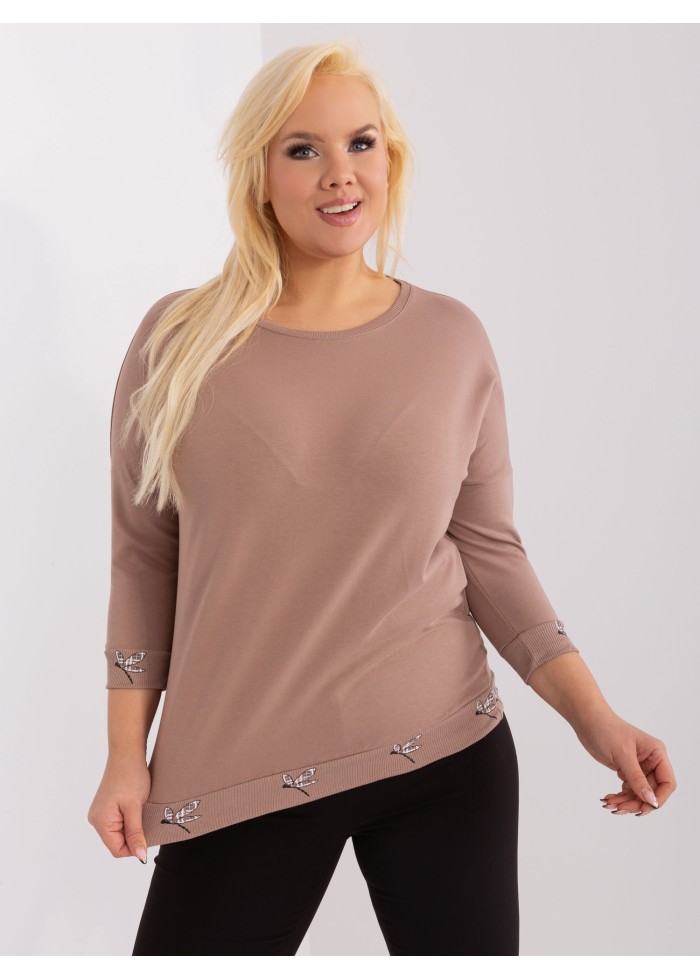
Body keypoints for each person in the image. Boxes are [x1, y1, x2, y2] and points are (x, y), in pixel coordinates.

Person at [87, 39, 677, 956]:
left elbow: (491, 553)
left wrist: (595, 717)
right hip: (241, 765)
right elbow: (143, 556)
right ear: (259, 174)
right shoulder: (178, 340)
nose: (340, 173)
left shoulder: (451, 337)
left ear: (390, 159)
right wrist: (126, 755)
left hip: (446, 751)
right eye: (303, 149)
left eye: (361, 143)